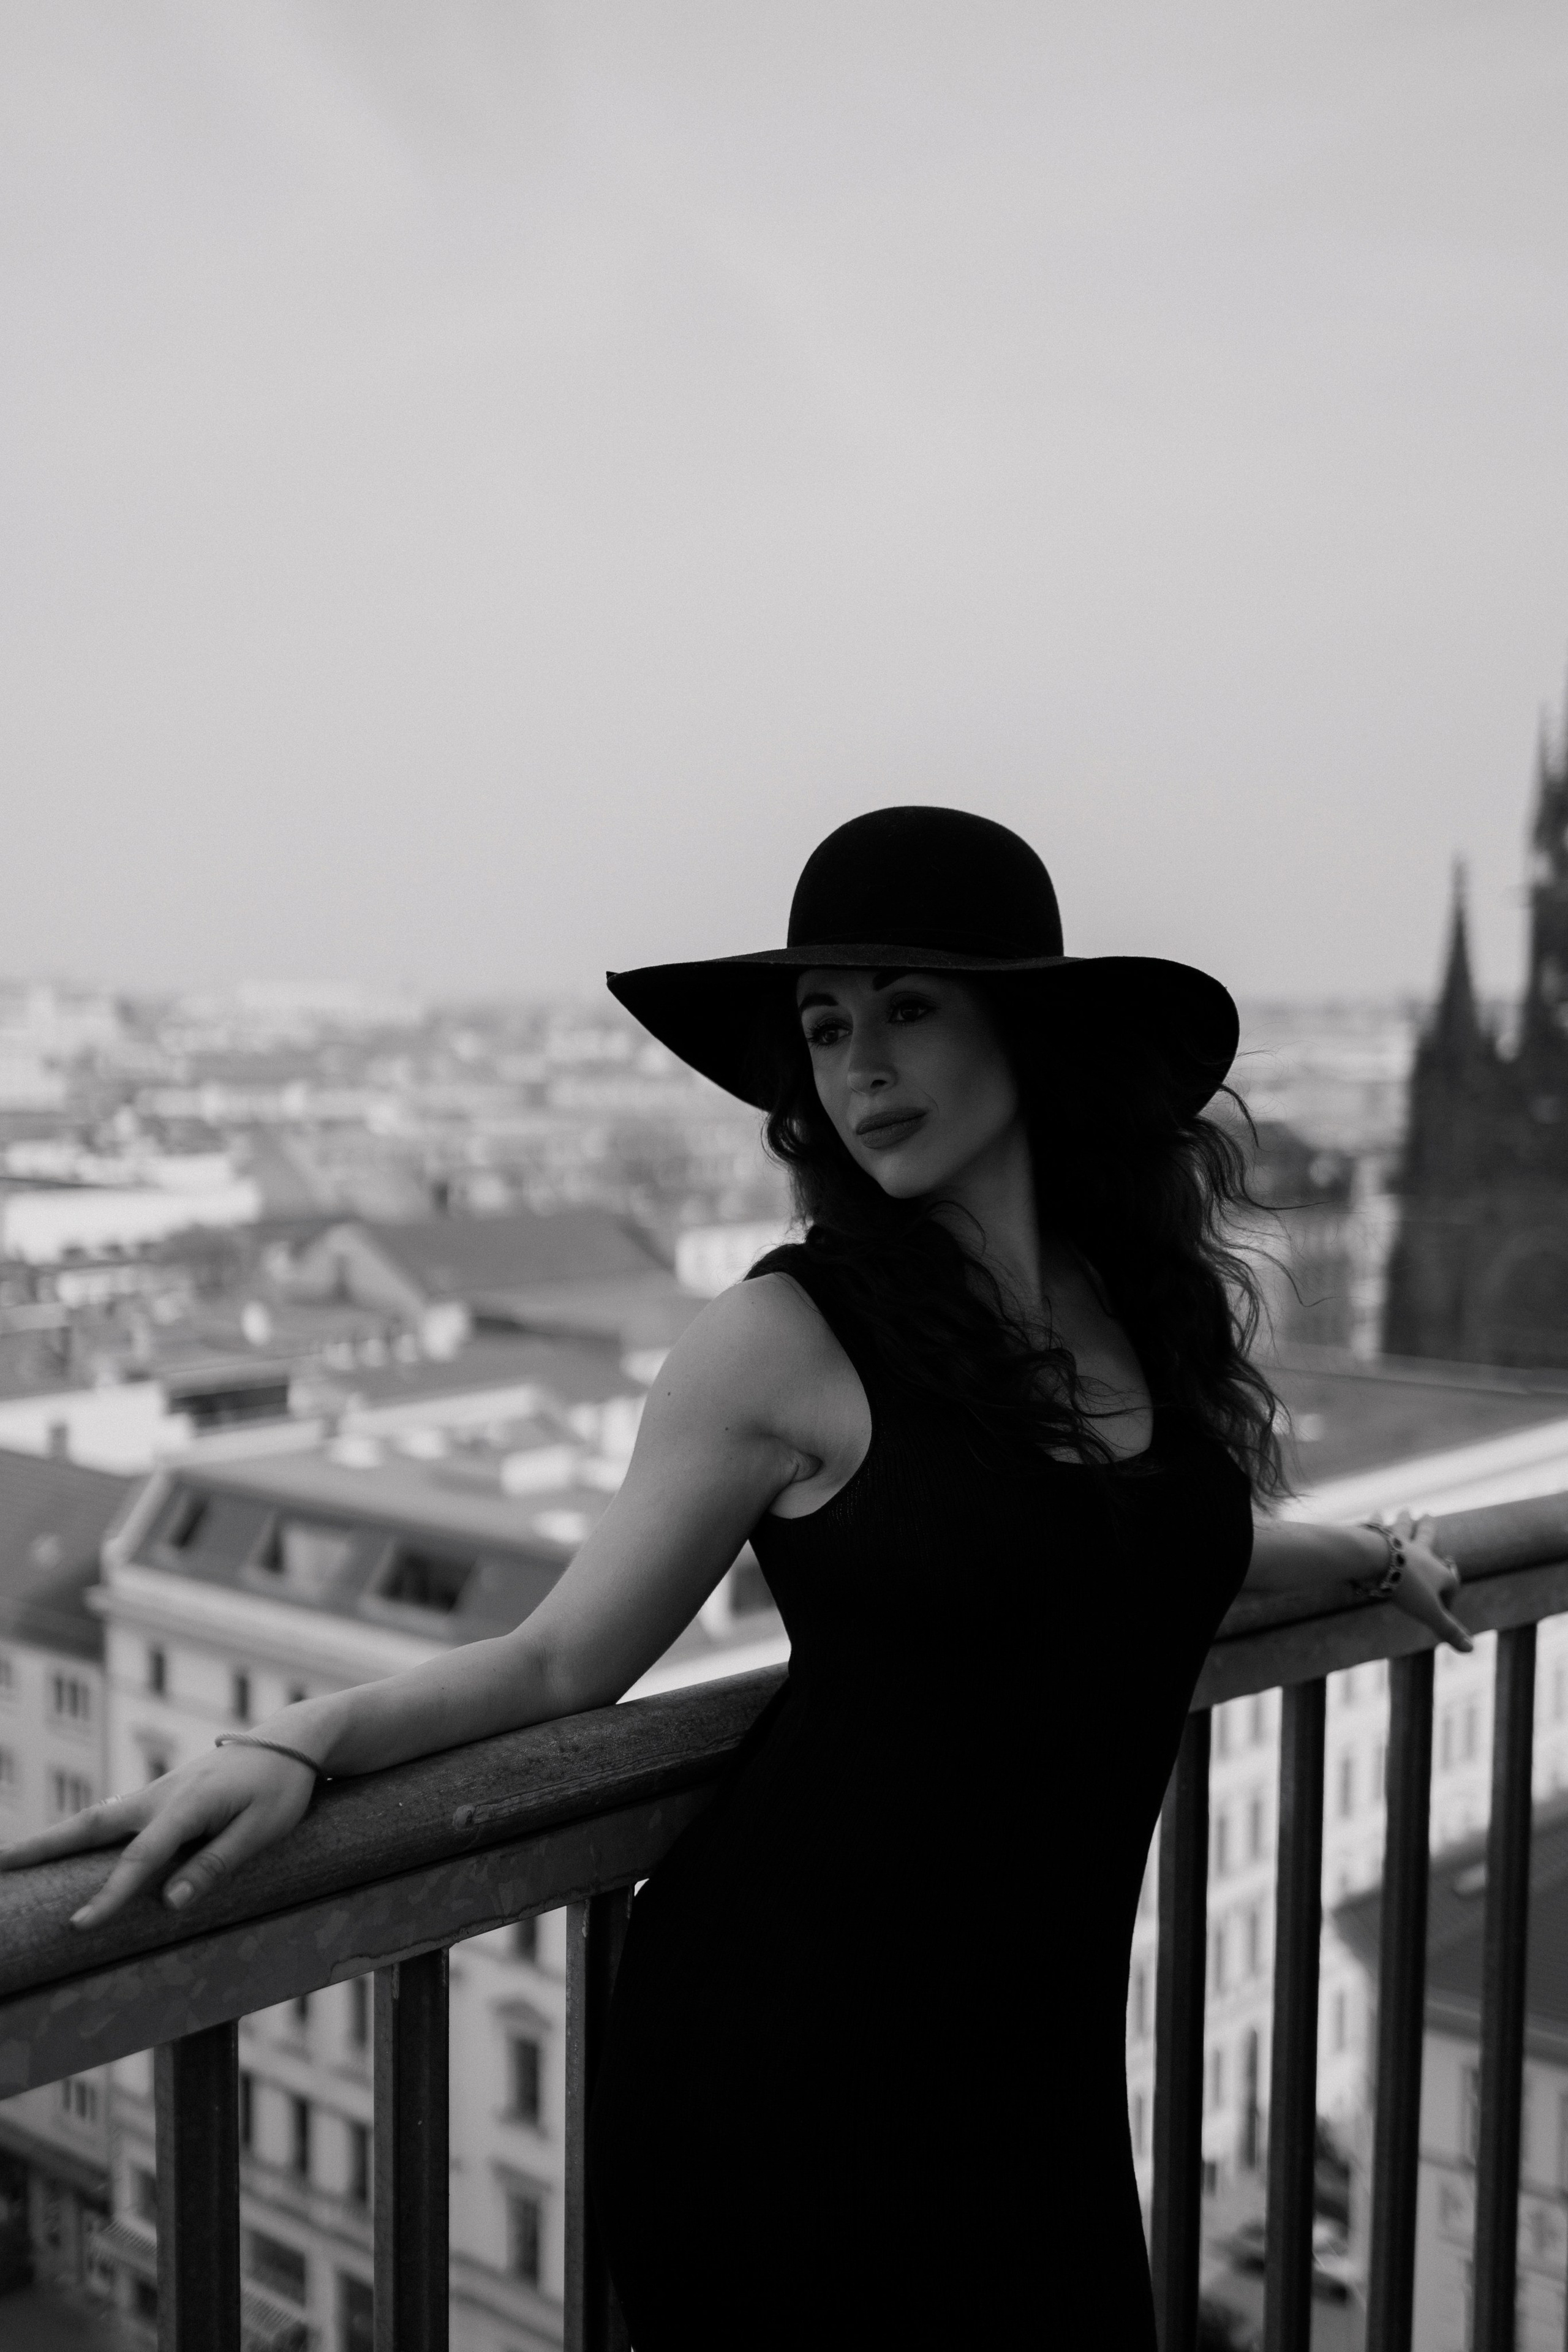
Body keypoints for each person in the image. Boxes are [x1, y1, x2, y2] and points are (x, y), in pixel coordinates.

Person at [1, 808, 1468, 2348]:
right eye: (826, 1028)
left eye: (907, 1009)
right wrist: (290, 1741)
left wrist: (1370, 1555)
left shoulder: (1130, 1312)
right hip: (790, 2070)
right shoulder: (783, 1340)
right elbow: (559, 1662)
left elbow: (1157, 1549)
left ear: (1025, 1030)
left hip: (1029, 2074)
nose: (859, 1068)